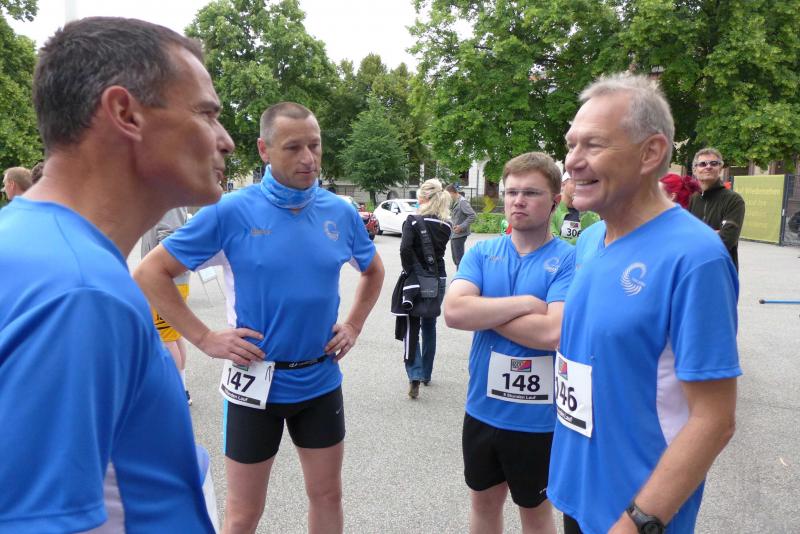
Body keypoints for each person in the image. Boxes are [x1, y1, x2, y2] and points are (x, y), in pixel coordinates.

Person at [0, 17, 234, 532]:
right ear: (125, 113)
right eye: (206, 114)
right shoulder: (82, 292)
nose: (226, 140)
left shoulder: (28, 243)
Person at [134, 101, 385, 534]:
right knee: (244, 512)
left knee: (327, 496)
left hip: (320, 380)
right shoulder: (230, 211)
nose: (308, 158)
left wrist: (354, 324)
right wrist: (204, 338)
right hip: (254, 383)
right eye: (293, 147)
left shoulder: (340, 212)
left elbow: (374, 270)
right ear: (264, 150)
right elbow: (149, 272)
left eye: (315, 145)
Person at [548, 73, 740, 534]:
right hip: (579, 495)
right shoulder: (590, 240)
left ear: (650, 153)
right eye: (571, 145)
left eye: (593, 144)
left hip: (636, 512)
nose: (572, 161)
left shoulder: (696, 257)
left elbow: (714, 420)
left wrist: (639, 520)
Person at [444, 152, 575, 534]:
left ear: (554, 201)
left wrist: (485, 312)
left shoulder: (567, 260)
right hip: (482, 411)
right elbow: (454, 313)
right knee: (484, 506)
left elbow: (552, 333)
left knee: (535, 513)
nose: (518, 200)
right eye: (511, 192)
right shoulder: (482, 252)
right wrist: (526, 304)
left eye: (531, 193)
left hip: (539, 421)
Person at [395, 178, 452, 399]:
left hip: (417, 279)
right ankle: (427, 373)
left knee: (412, 325)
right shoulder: (446, 224)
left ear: (424, 198)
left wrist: (409, 271)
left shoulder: (413, 221)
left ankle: (415, 373)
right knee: (430, 325)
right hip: (438, 278)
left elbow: (404, 249)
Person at [141, 206, 193, 404]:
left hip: (165, 282)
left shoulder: (169, 204)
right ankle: (181, 388)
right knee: (173, 336)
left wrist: (153, 269)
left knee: (166, 339)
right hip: (172, 281)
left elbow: (170, 238)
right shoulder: (169, 201)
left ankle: (174, 393)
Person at [688, 148, 746, 271]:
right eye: (703, 164)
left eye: (714, 163)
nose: (708, 167)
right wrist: (712, 235)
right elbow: (684, 237)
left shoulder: (733, 200)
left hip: (721, 270)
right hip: (693, 269)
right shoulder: (693, 199)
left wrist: (696, 237)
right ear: (695, 170)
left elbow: (727, 239)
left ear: (720, 168)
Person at [551, 171, 600, 244]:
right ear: (563, 185)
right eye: (575, 183)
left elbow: (594, 239)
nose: (579, 188)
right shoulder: (552, 210)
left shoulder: (591, 213)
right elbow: (553, 241)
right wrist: (580, 242)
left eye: (583, 184)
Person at [446, 183, 477, 267]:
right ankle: (460, 274)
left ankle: (461, 275)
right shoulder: (456, 201)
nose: (447, 197)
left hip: (460, 234)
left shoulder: (462, 202)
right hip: (454, 234)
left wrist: (461, 226)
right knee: (456, 259)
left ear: (452, 192)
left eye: (448, 194)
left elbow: (473, 215)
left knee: (459, 260)